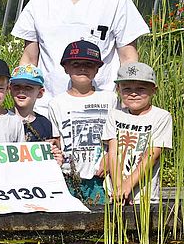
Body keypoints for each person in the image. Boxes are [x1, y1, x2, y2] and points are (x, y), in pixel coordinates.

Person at [12, 0, 149, 115]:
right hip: (47, 109)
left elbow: (128, 57)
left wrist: (128, 106)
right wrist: (24, 106)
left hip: (101, 110)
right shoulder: (40, 2)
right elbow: (29, 59)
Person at [48, 41, 118, 205]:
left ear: (97, 69)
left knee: (103, 221)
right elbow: (57, 139)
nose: (82, 68)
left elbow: (117, 136)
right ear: (66, 68)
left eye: (89, 64)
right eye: (76, 64)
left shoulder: (110, 99)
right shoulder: (56, 103)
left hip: (101, 177)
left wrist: (109, 158)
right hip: (69, 176)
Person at [103, 62, 172, 204]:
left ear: (154, 90)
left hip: (144, 196)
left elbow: (152, 155)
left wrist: (127, 185)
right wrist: (119, 188)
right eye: (127, 88)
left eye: (141, 89)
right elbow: (113, 151)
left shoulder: (162, 116)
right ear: (118, 89)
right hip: (114, 195)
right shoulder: (114, 115)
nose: (133, 93)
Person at [9, 64, 53, 142]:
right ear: (10, 89)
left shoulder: (44, 124)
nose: (21, 91)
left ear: (40, 93)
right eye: (17, 87)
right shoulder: (2, 120)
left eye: (28, 88)